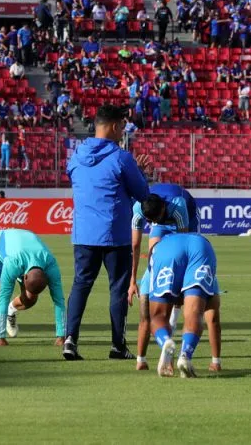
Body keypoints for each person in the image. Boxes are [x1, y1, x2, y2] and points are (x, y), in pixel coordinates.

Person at [64, 104, 151, 361]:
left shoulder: (77, 155)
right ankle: (117, 345)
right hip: (115, 234)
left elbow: (76, 180)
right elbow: (142, 194)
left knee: (81, 285)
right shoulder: (121, 158)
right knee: (118, 289)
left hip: (83, 234)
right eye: (122, 126)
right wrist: (141, 174)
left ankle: (70, 340)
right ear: (114, 127)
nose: (123, 130)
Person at [129, 184, 202, 371]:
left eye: (158, 218)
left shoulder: (178, 207)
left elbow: (182, 248)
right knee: (154, 254)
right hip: (158, 212)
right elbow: (135, 246)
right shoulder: (138, 209)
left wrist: (178, 289)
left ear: (162, 209)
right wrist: (132, 281)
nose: (158, 221)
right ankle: (145, 357)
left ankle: (171, 333)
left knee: (178, 270)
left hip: (187, 219)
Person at [148, 233, 222, 378]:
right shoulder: (184, 212)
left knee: (158, 316)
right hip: (199, 247)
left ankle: (165, 341)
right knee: (194, 313)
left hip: (164, 250)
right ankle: (185, 355)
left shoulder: (153, 223)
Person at [0, 229, 66, 347]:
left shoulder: (50, 265)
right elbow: (3, 298)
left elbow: (59, 300)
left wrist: (62, 336)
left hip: (25, 247)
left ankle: (11, 311)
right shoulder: (13, 263)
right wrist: (0, 337)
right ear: (24, 277)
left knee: (30, 298)